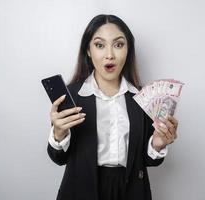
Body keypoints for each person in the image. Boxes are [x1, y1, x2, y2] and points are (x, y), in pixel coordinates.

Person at [47, 14, 178, 200]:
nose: (110, 54)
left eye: (118, 44)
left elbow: (149, 161)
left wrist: (157, 145)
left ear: (128, 50)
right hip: (81, 191)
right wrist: (58, 134)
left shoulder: (143, 98)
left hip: (131, 191)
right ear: (88, 51)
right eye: (100, 45)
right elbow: (58, 158)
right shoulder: (70, 96)